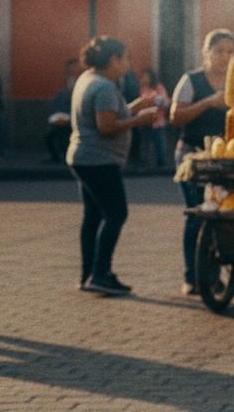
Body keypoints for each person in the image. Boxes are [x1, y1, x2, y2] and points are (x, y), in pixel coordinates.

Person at [67, 36, 159, 295]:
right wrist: (139, 120)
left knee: (93, 216)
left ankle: (88, 274)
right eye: (126, 58)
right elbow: (106, 126)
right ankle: (101, 274)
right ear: (113, 60)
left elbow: (108, 115)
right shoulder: (105, 86)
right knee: (117, 214)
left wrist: (133, 108)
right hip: (99, 160)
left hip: (84, 158)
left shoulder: (88, 79)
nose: (128, 65)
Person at [169, 29, 234, 296]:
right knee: (197, 213)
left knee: (220, 214)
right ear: (205, 53)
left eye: (230, 52)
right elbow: (175, 116)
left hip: (224, 157)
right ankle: (192, 276)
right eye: (219, 51)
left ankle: (212, 273)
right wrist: (208, 102)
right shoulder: (192, 80)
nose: (225, 57)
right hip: (192, 155)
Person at [46, 59, 82, 163]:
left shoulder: (81, 87)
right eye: (70, 72)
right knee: (50, 134)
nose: (72, 75)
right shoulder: (61, 94)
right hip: (62, 120)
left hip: (75, 122)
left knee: (65, 133)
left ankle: (67, 155)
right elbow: (57, 109)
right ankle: (56, 157)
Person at [136, 68, 170, 170]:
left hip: (157, 121)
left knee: (159, 143)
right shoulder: (142, 88)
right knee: (144, 143)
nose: (143, 79)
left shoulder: (158, 87)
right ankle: (143, 163)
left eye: (145, 77)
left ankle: (161, 163)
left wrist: (153, 100)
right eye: (142, 77)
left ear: (151, 77)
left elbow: (164, 101)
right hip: (145, 121)